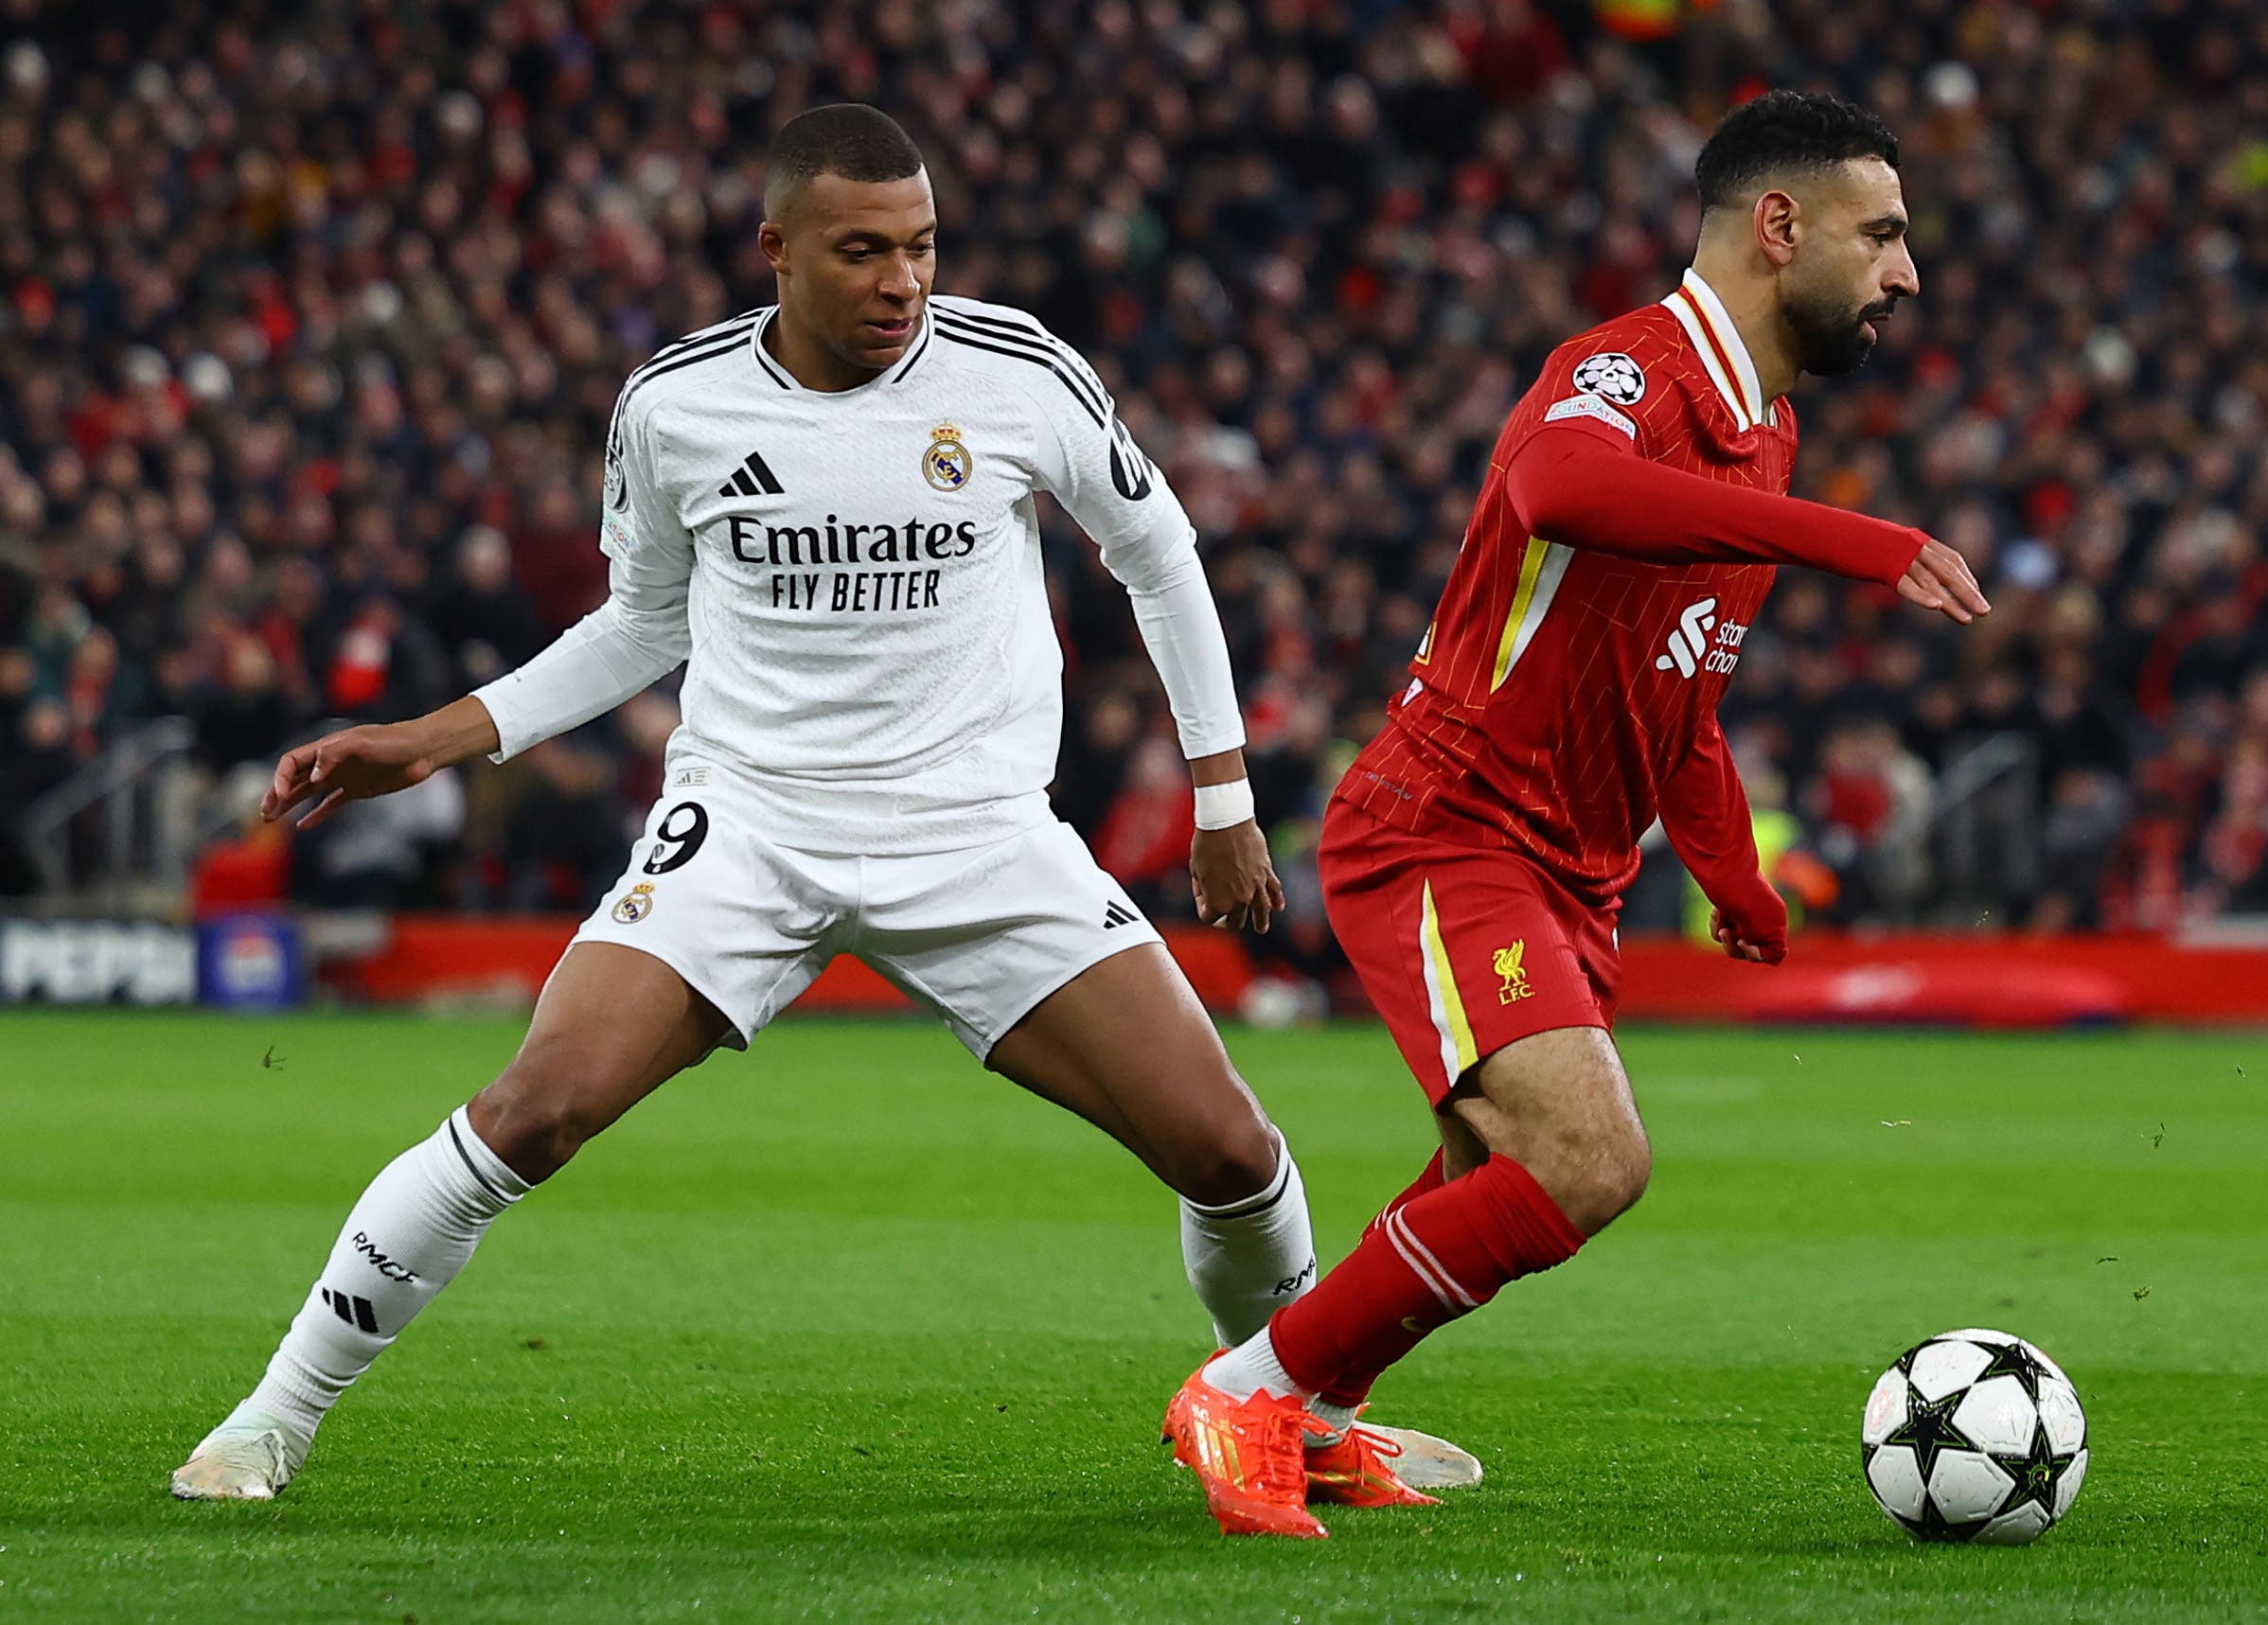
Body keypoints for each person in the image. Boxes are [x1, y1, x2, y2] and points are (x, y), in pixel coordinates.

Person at [173, 104, 1467, 1504]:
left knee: (1230, 1149)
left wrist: (1222, 791)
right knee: (535, 1108)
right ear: (776, 250)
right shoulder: (674, 406)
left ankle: (1295, 1420)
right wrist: (437, 738)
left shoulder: (1016, 370)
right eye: (862, 251)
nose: (902, 281)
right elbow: (639, 623)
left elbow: (1159, 552)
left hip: (976, 833)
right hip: (751, 823)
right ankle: (269, 1419)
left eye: (921, 246)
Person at [1163, 91, 1990, 1538]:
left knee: (1493, 1173)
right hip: (1450, 824)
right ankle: (1248, 1389)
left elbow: (1680, 687)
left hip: (1571, 869)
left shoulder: (1768, 432)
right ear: (1778, 226)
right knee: (1588, 1157)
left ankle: (1321, 1413)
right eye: (1882, 234)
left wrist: (1732, 872)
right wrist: (1858, 542)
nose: (1907, 274)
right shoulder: (1627, 369)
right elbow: (1557, 484)